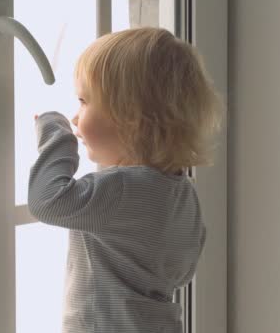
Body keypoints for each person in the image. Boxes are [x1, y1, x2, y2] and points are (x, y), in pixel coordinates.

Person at [28, 27, 225, 333]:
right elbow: (183, 270)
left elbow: (47, 201)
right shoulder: (182, 192)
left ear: (129, 116)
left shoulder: (122, 188)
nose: (76, 117)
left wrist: (56, 132)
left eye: (83, 101)